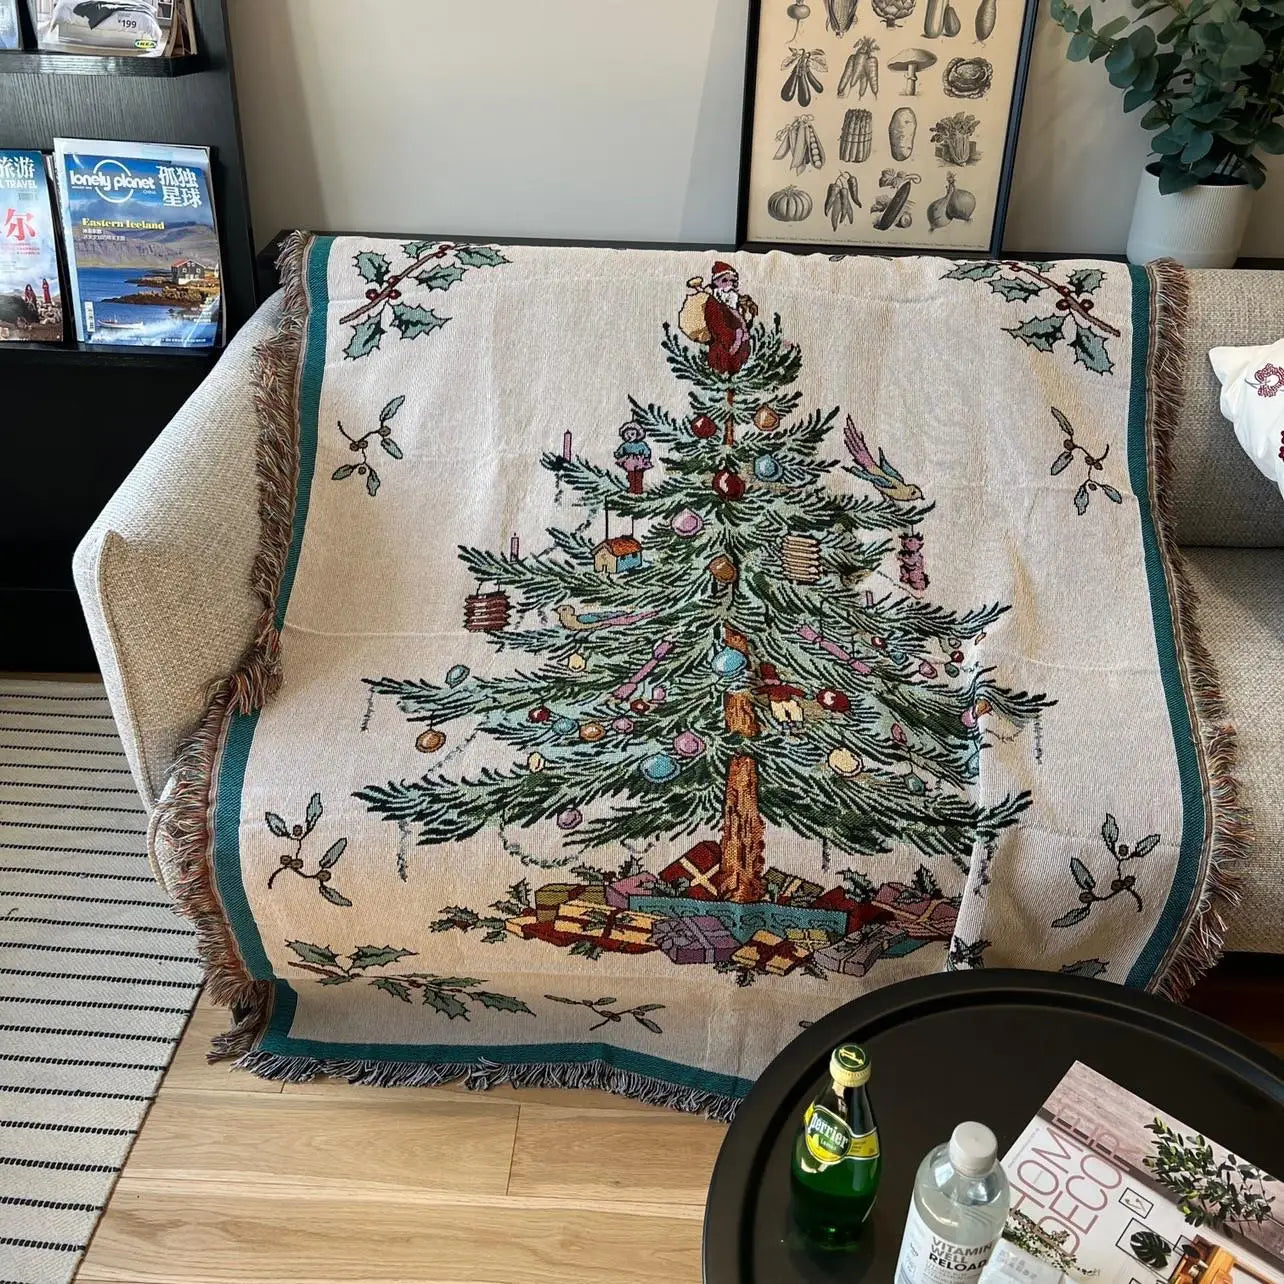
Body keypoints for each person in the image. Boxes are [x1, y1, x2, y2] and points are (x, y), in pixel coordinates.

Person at [704, 262, 758, 376]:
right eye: (724, 281)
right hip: (722, 353)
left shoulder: (734, 302)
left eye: (732, 281)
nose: (729, 285)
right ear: (715, 284)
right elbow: (717, 327)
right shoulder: (713, 303)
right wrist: (736, 337)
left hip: (740, 353)